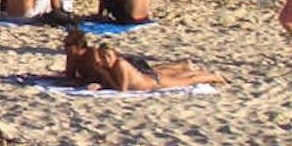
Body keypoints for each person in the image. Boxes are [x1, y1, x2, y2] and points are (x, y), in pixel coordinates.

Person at [84, 44, 226, 92]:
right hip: (150, 79)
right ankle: (204, 72)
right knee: (181, 77)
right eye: (103, 57)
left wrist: (105, 75)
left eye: (108, 56)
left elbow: (122, 89)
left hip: (154, 82)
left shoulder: (120, 64)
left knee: (187, 81)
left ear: (115, 55)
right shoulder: (113, 66)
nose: (106, 60)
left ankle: (215, 77)